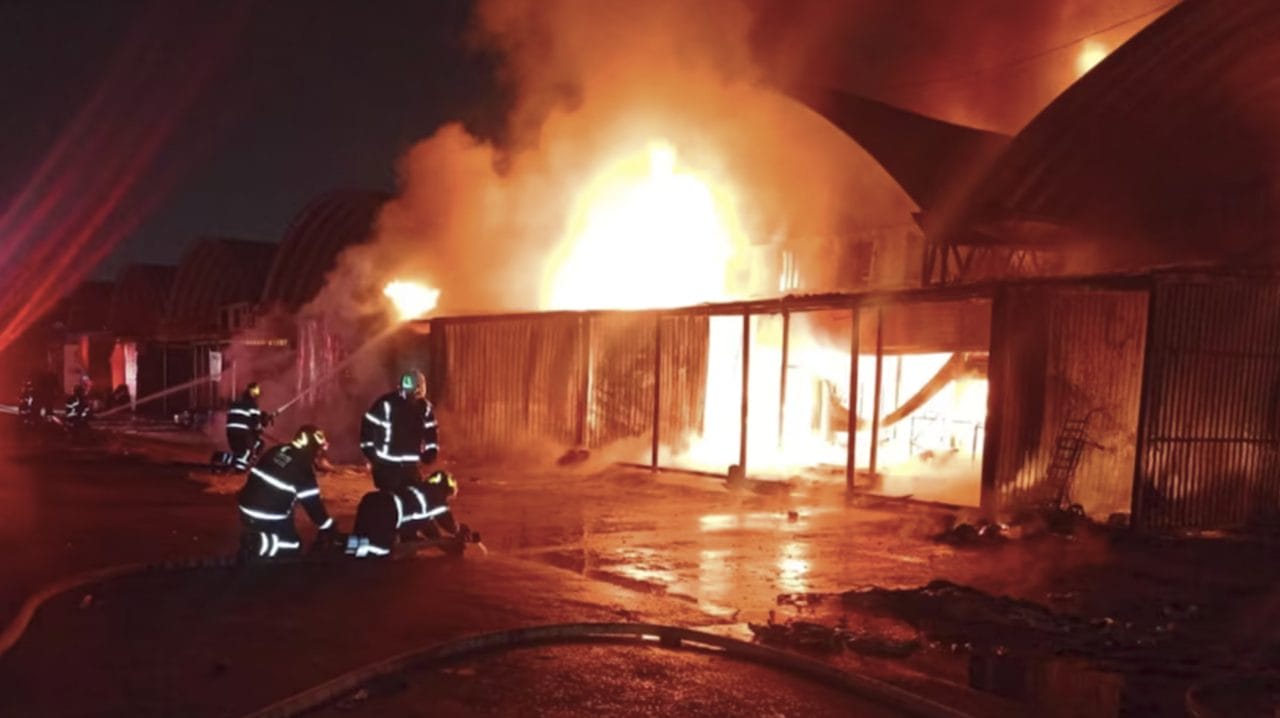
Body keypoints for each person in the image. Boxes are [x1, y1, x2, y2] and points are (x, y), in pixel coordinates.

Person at [348, 370, 442, 557]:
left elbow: (431, 431)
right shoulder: (386, 404)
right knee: (390, 504)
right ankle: (386, 538)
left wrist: (431, 451)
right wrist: (370, 451)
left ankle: (408, 536)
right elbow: (369, 426)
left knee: (412, 502)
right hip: (387, 466)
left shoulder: (425, 408)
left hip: (408, 467)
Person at [237, 425, 336, 561]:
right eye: (317, 450)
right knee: (293, 546)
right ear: (309, 444)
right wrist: (328, 526)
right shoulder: (302, 466)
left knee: (288, 521)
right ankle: (259, 543)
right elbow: (313, 505)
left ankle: (257, 537)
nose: (318, 454)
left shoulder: (277, 450)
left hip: (245, 507)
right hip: (266, 515)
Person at [226, 382, 271, 472]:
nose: (259, 392)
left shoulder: (237, 402)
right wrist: (264, 422)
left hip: (230, 431)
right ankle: (240, 469)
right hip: (242, 432)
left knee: (238, 451)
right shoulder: (252, 405)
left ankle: (224, 459)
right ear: (252, 390)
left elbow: (235, 417)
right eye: (257, 389)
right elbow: (256, 423)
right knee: (252, 448)